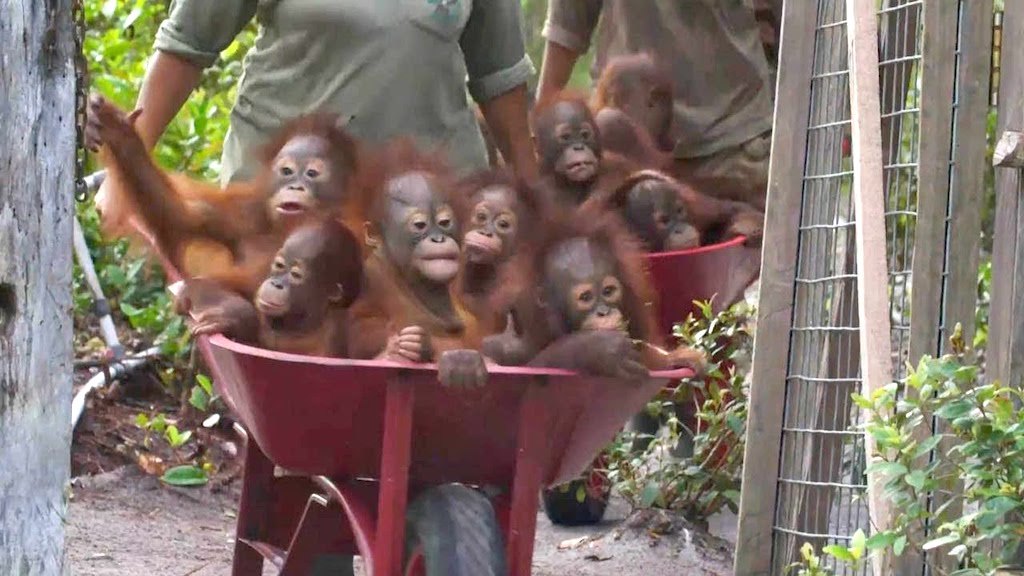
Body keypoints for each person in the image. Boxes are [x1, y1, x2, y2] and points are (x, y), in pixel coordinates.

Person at [104, 0, 537, 190]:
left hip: (427, 203)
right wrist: (128, 168)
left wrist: (530, 195)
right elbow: (187, 44)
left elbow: (500, 75)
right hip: (287, 191)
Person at [537, 0, 775, 210]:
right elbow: (565, 32)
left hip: (731, 145)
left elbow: (792, 23)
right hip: (627, 152)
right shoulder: (610, 133)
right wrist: (540, 144)